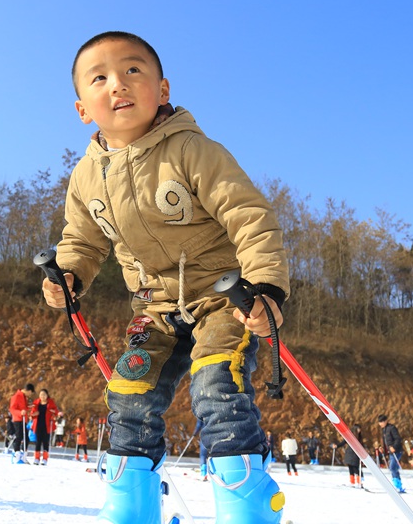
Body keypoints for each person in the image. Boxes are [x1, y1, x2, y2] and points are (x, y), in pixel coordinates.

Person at [40, 31, 289, 524]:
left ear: (164, 88)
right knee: (128, 394)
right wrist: (67, 276)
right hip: (153, 309)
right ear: (82, 108)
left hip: (221, 298)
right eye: (100, 77)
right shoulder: (86, 177)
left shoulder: (191, 150)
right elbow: (82, 242)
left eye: (133, 70)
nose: (118, 84)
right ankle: (131, 508)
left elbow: (248, 214)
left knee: (217, 387)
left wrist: (265, 286)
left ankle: (247, 507)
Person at [378, 415, 405, 493]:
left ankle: (397, 486)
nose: (381, 424)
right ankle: (398, 486)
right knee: (393, 468)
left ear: (386, 421)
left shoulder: (392, 428)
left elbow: (398, 439)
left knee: (392, 467)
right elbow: (385, 441)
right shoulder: (383, 430)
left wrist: (394, 447)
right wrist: (382, 447)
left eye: (382, 422)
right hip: (390, 452)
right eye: (379, 422)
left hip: (397, 451)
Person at [9, 384, 35, 464]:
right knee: (19, 436)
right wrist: (20, 412)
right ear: (29, 391)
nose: (30, 395)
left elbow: (23, 407)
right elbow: (12, 409)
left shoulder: (24, 397)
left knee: (26, 438)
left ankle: (22, 455)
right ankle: (16, 455)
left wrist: (29, 407)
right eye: (31, 393)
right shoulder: (16, 396)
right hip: (18, 419)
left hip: (24, 419)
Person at [31, 389, 58, 465]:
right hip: (38, 424)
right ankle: (36, 458)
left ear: (47, 395)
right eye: (41, 395)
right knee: (38, 442)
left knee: (45, 442)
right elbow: (32, 413)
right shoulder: (36, 403)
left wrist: (54, 414)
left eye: (44, 395)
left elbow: (56, 411)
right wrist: (34, 414)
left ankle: (45, 459)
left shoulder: (51, 403)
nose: (42, 396)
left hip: (47, 425)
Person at [333, 424, 364, 488]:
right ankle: (352, 482)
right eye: (358, 429)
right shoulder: (350, 436)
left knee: (356, 468)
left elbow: (362, 446)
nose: (359, 430)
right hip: (349, 453)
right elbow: (344, 442)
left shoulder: (359, 437)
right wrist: (337, 446)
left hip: (356, 453)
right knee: (350, 467)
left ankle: (359, 482)